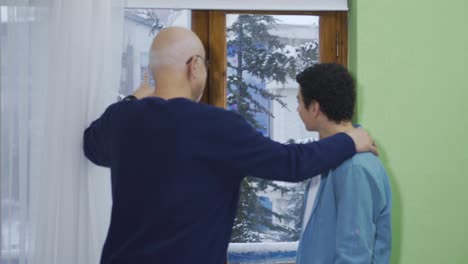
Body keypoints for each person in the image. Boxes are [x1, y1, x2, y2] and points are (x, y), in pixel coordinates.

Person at [83, 27, 377, 264]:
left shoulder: (122, 120)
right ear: (194, 66)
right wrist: (349, 140)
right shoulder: (217, 126)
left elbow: (91, 147)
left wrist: (137, 95)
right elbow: (291, 163)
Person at [295, 63, 392, 263]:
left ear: (315, 108)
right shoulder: (326, 159)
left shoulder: (355, 167)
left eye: (299, 102)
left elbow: (354, 255)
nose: (297, 109)